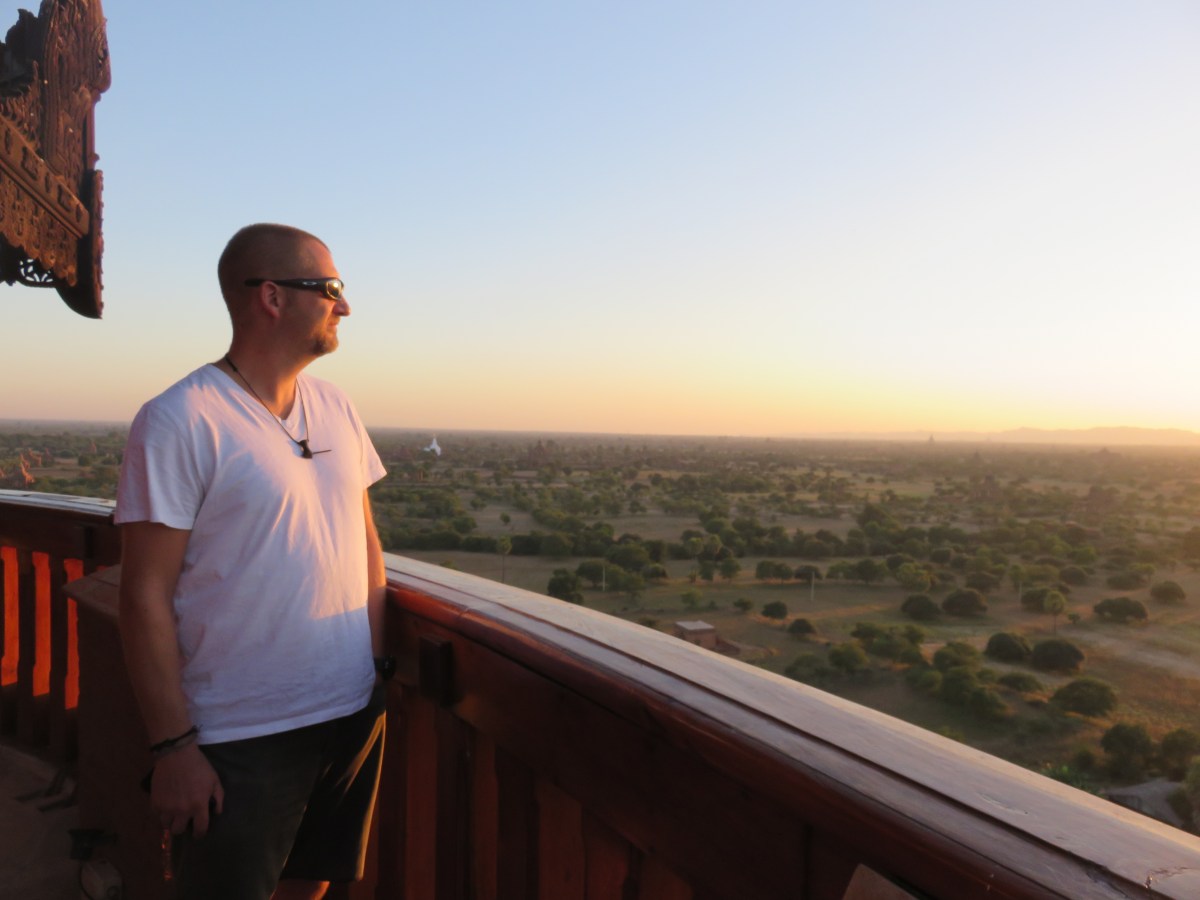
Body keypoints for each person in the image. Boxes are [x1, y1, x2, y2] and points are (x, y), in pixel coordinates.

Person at [115, 223, 390, 900]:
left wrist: (377, 673)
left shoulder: (336, 406)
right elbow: (143, 595)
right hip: (240, 735)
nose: (344, 306)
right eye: (330, 288)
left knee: (311, 885)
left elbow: (364, 542)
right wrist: (173, 748)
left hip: (349, 710)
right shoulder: (180, 419)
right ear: (272, 297)